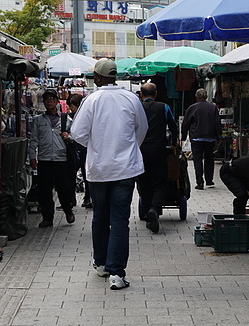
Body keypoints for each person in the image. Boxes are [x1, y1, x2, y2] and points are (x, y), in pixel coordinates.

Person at [70, 58, 148, 290]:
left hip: (99, 169)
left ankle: (101, 262)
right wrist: (129, 147)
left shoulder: (91, 100)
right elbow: (141, 130)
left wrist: (96, 145)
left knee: (100, 217)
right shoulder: (131, 98)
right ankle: (117, 273)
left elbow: (77, 133)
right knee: (120, 220)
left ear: (98, 77)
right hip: (125, 169)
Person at [28, 89, 76, 228]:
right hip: (44, 160)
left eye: (52, 98)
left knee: (64, 188)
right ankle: (47, 218)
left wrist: (69, 138)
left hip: (61, 159)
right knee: (44, 190)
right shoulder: (38, 120)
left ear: (56, 101)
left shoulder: (66, 119)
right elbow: (33, 139)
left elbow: (76, 136)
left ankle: (68, 210)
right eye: (46, 99)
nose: (49, 101)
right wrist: (32, 156)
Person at [138, 82, 179, 234]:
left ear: (141, 95)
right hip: (159, 149)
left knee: (144, 181)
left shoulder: (137, 108)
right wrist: (174, 142)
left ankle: (149, 213)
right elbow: (174, 127)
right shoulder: (164, 107)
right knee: (160, 182)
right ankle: (155, 209)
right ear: (156, 94)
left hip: (141, 150)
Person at [181, 88, 222, 190]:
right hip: (210, 138)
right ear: (206, 97)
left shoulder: (192, 108)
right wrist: (218, 136)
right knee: (209, 158)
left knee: (197, 160)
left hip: (196, 138)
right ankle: (209, 180)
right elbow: (217, 123)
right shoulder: (213, 107)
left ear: (196, 97)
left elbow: (185, 123)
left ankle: (199, 182)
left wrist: (183, 136)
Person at [67, 93, 91, 209]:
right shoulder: (69, 116)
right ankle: (72, 199)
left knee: (86, 176)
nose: (70, 109)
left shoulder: (83, 116)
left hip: (83, 149)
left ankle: (87, 198)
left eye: (72, 106)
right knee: (72, 175)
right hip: (76, 150)